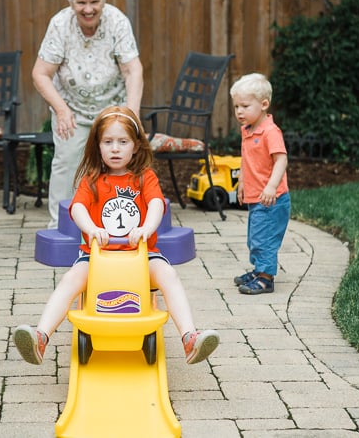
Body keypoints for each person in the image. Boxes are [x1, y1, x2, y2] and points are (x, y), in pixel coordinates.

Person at [13, 107, 220, 365]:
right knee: (71, 279)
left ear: (135, 146)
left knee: (169, 275)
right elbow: (77, 207)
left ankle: (189, 337)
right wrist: (90, 228)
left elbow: (157, 204)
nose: (115, 148)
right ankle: (40, 337)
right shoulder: (92, 179)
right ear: (97, 146)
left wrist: (146, 227)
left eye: (122, 142)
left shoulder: (145, 177)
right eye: (108, 142)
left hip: (141, 256)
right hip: (96, 258)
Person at [32, 0, 144, 229]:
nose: (88, 9)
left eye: (94, 2)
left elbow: (132, 69)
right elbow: (40, 73)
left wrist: (131, 113)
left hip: (112, 110)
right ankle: (61, 227)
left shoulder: (117, 21)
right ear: (71, 3)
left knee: (117, 163)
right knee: (68, 163)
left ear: (103, 0)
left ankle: (118, 225)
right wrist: (61, 110)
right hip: (70, 109)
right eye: (81, 3)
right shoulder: (60, 24)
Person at [230, 73, 291, 294]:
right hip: (256, 196)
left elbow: (281, 160)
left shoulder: (270, 132)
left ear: (264, 104)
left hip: (271, 199)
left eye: (245, 106)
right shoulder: (247, 130)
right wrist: (242, 182)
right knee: (255, 237)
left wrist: (271, 187)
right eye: (236, 106)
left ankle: (266, 278)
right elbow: (246, 158)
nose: (239, 112)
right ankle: (259, 270)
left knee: (264, 239)